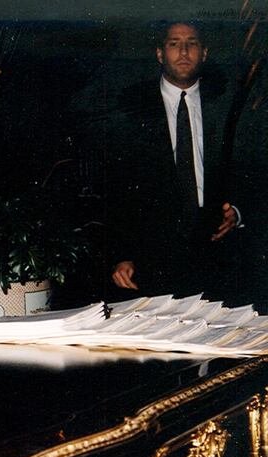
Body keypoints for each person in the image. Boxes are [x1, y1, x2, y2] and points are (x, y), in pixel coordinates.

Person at [108, 21, 241, 299]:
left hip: (217, 251)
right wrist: (121, 253)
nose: (183, 51)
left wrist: (237, 213)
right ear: (160, 53)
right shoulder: (130, 108)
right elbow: (116, 188)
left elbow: (251, 169)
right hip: (151, 257)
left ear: (204, 53)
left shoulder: (227, 105)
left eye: (192, 43)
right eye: (174, 44)